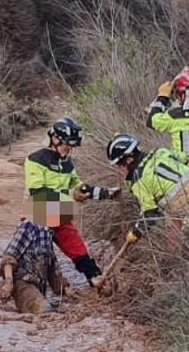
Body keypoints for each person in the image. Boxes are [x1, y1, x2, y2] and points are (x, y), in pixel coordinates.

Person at [24, 117, 121, 285]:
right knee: (39, 257)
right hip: (37, 214)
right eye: (66, 145)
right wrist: (70, 194)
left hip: (60, 212)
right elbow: (37, 191)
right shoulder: (35, 159)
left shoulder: (67, 163)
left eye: (71, 147)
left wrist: (105, 193)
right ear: (54, 140)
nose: (68, 150)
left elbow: (79, 186)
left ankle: (95, 277)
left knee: (78, 249)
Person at [105, 133, 189, 245]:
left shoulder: (139, 181)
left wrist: (135, 233)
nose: (121, 169)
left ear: (128, 160)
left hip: (188, 208)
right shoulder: (160, 151)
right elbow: (184, 159)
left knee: (174, 239)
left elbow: (150, 213)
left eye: (119, 164)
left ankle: (171, 260)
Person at [0, 196, 71, 314]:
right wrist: (8, 283)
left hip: (38, 289)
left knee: (53, 312)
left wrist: (66, 292)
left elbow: (53, 268)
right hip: (23, 284)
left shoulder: (48, 232)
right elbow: (9, 257)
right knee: (47, 313)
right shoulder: (28, 225)